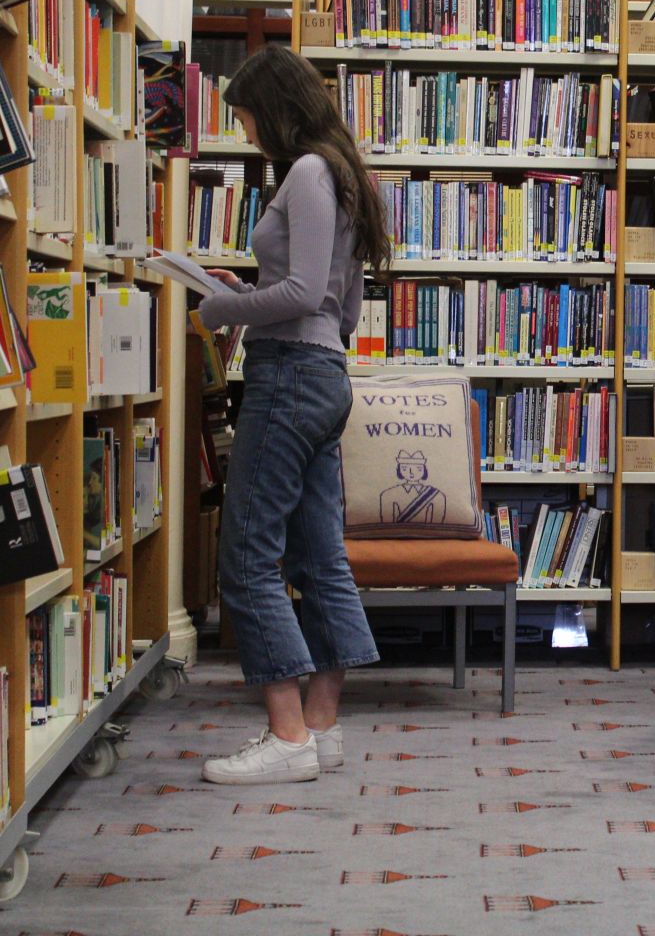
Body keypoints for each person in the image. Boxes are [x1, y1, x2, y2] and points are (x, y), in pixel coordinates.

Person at [194, 44, 391, 785]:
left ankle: (286, 736)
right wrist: (250, 286)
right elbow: (337, 304)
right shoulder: (341, 174)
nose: (245, 132)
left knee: (246, 554)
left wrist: (221, 307)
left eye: (245, 116)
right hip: (323, 374)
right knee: (317, 556)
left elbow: (304, 293)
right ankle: (321, 726)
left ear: (274, 108)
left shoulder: (307, 171)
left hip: (289, 377)